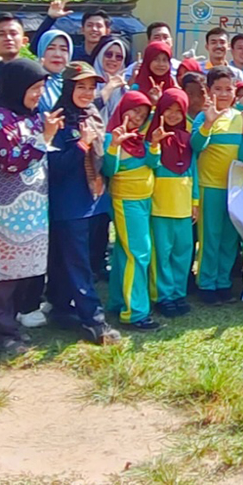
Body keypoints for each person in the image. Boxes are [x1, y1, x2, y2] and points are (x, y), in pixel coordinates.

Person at [0, 59, 61, 356]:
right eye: (34, 88)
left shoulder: (33, 116)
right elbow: (11, 161)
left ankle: (9, 326)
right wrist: (45, 138)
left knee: (21, 270)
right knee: (1, 273)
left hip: (31, 207)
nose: (38, 95)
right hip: (4, 206)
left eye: (41, 88)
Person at [45, 62, 121, 344]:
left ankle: (61, 307)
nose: (87, 93)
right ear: (68, 88)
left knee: (77, 259)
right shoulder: (58, 119)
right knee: (78, 263)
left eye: (91, 87)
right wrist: (82, 145)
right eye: (81, 87)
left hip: (94, 200)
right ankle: (95, 322)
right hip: (69, 204)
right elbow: (55, 167)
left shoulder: (91, 115)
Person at [103, 90, 161, 330]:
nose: (137, 117)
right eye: (134, 111)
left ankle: (117, 302)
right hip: (126, 201)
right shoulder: (112, 137)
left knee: (124, 252)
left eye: (143, 114)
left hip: (144, 201)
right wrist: (115, 145)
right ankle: (135, 313)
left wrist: (155, 145)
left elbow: (152, 163)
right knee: (138, 253)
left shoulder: (139, 138)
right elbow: (109, 170)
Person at [192, 67, 243, 303]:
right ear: (208, 91)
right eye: (218, 89)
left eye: (228, 89)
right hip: (209, 187)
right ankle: (206, 284)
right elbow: (195, 145)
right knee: (210, 237)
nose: (223, 94)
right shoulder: (203, 117)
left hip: (234, 189)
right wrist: (208, 124)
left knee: (229, 238)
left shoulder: (241, 117)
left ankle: (223, 283)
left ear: (235, 91)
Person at [147, 88, 196, 317]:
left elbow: (193, 172)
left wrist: (195, 203)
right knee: (161, 254)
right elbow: (151, 163)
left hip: (184, 208)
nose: (174, 115)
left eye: (179, 111)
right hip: (160, 208)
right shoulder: (153, 136)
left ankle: (178, 293)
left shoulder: (188, 140)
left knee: (183, 252)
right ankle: (162, 296)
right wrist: (156, 144)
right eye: (169, 110)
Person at [32, 1, 120, 63]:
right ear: (82, 29)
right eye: (89, 25)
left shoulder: (112, 56)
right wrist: (51, 18)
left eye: (99, 26)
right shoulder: (71, 52)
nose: (94, 29)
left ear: (107, 31)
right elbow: (36, 48)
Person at [35, 29, 73, 113]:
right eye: (51, 48)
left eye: (63, 50)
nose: (57, 54)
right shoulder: (30, 83)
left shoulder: (74, 82)